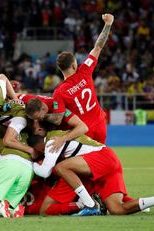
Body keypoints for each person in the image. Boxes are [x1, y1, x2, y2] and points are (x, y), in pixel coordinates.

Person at [28, 130, 154, 216]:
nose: (43, 153)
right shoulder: (63, 133)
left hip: (102, 158)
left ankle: (90, 205)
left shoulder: (51, 142)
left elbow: (45, 172)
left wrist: (32, 163)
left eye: (40, 150)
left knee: (61, 167)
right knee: (117, 210)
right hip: (109, 162)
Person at [53, 14, 115, 144]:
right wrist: (108, 24)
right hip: (100, 124)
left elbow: (58, 118)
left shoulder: (59, 92)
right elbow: (98, 47)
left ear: (60, 69)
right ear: (74, 65)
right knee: (101, 157)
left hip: (83, 131)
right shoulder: (84, 71)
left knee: (86, 162)